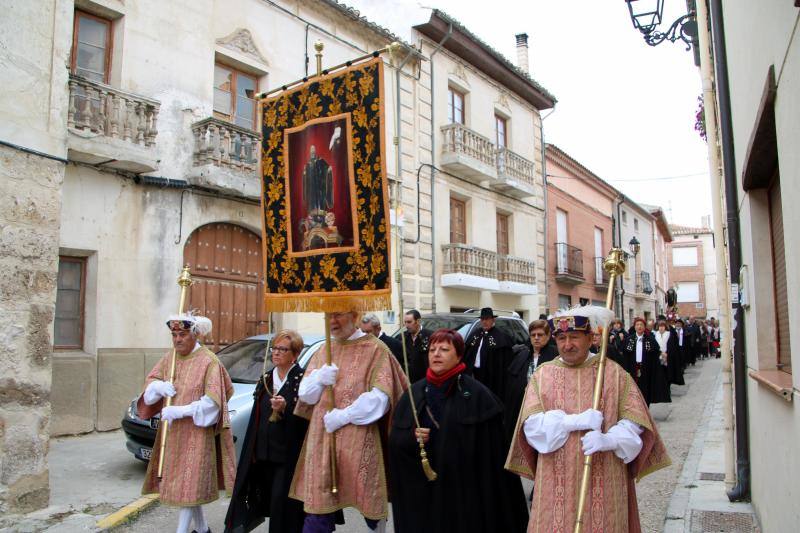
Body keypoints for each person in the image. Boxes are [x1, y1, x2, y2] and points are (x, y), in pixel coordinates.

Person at [505, 305, 671, 532]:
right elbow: (531, 426)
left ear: (591, 337)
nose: (567, 344)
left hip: (605, 475)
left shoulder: (613, 373)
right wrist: (571, 422)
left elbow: (636, 421)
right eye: (561, 338)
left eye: (574, 337)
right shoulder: (542, 376)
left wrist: (610, 440)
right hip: (555, 480)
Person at [388, 329, 528, 533]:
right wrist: (411, 437)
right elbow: (395, 443)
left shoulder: (479, 397)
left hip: (464, 495)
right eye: (432, 349)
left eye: (444, 349)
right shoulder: (414, 394)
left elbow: (493, 459)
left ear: (459, 355)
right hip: (424, 495)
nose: (436, 354)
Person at [290, 311, 408, 533]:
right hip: (322, 436)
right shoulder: (323, 349)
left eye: (338, 315)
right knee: (318, 503)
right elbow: (305, 395)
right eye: (328, 317)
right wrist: (319, 379)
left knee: (367, 498)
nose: (332, 322)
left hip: (359, 436)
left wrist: (344, 415)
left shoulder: (376, 349)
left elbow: (381, 397)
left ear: (354, 315)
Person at [138, 313, 236, 533]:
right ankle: (202, 530)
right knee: (187, 487)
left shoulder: (209, 361)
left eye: (182, 334)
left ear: (195, 334)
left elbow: (213, 402)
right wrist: (158, 388)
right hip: (173, 435)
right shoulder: (170, 358)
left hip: (197, 435)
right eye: (174, 335)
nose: (177, 340)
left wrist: (180, 411)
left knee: (189, 486)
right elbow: (150, 383)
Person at [225, 330, 309, 533]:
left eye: (283, 349)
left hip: (287, 457)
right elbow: (257, 417)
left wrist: (286, 409)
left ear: (295, 354)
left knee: (283, 505)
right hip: (263, 455)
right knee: (266, 501)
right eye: (275, 348)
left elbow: (308, 419)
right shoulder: (266, 379)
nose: (276, 353)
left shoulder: (302, 380)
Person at [506, 320, 558, 445]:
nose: (536, 338)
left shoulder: (556, 355)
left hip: (545, 408)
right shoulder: (522, 354)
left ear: (548, 336)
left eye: (540, 335)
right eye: (533, 335)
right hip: (521, 406)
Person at [463, 307, 514, 401]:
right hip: (474, 373)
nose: (484, 322)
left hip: (490, 376)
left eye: (487, 319)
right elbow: (467, 353)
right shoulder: (476, 334)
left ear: (493, 320)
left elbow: (504, 361)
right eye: (482, 319)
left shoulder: (500, 336)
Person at [621, 317, 671, 405]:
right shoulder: (629, 339)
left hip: (646, 369)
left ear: (644, 327)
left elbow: (656, 352)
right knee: (634, 390)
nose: (639, 327)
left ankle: (646, 410)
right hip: (633, 369)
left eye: (641, 325)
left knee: (645, 391)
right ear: (634, 327)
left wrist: (661, 355)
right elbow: (625, 356)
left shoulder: (650, 339)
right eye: (637, 325)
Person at [402, 309, 432, 383]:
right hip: (406, 382)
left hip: (424, 381)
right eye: (405, 322)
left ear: (418, 321)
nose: (406, 325)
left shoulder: (430, 336)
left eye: (409, 322)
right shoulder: (402, 337)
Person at [302, 145, 333, 214]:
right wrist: (304, 173)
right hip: (312, 190)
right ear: (310, 152)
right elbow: (305, 180)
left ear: (315, 151)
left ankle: (322, 214)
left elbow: (327, 167)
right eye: (311, 149)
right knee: (312, 205)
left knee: (321, 202)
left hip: (320, 187)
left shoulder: (320, 160)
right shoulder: (307, 165)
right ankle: (313, 215)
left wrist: (328, 169)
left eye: (313, 149)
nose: (312, 151)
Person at [655, 319, 684, 386]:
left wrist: (667, 353)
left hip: (668, 356)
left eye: (663, 326)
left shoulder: (669, 334)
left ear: (665, 327)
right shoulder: (656, 335)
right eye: (660, 326)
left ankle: (668, 386)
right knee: (660, 373)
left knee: (667, 373)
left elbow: (672, 346)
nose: (661, 328)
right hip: (659, 356)